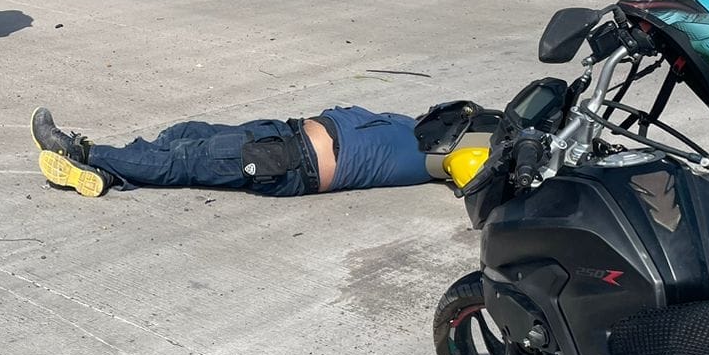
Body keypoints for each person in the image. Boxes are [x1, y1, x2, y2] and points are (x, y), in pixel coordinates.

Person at [27, 102, 500, 198]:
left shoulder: (443, 158)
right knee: (186, 130)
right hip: (285, 130)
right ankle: (111, 175)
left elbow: (480, 172)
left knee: (184, 161)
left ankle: (82, 153)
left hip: (289, 163)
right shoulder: (418, 126)